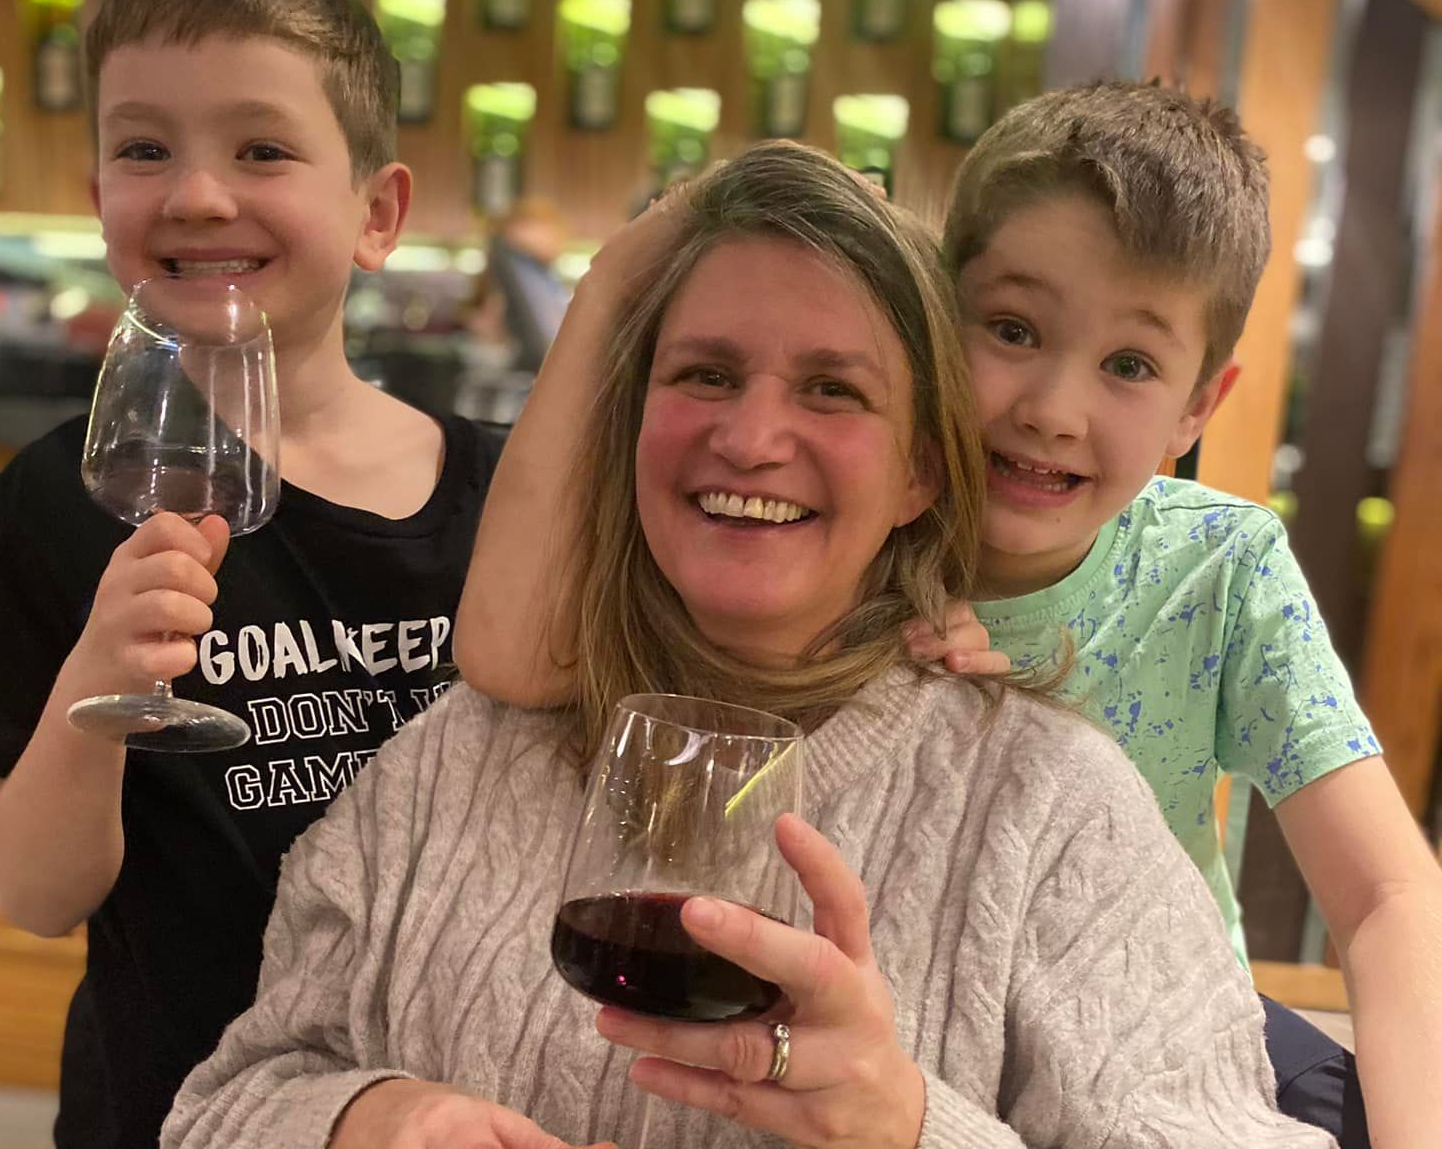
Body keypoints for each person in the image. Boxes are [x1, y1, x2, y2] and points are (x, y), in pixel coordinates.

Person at [164, 143, 1333, 1149]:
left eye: (832, 390)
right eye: (707, 373)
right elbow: (228, 1097)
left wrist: (907, 1120)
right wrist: (365, 1116)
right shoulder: (455, 758)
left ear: (922, 470)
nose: (752, 434)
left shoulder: (1040, 810)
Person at [454, 85, 1442, 1148]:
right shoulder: (838, 532)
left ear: (1199, 406)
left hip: (1142, 1042)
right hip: (885, 1033)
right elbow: (513, 648)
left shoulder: (1222, 568)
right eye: (1012, 330)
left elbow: (1387, 891)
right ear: (931, 326)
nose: (1052, 410)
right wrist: (617, 281)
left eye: (1130, 365)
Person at [0, 0, 504, 1149]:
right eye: (143, 148)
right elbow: (32, 891)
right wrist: (98, 682)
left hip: (457, 1104)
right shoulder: (52, 503)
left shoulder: (513, 495)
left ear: (378, 212)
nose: (194, 193)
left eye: (262, 149)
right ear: (99, 203)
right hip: (173, 1109)